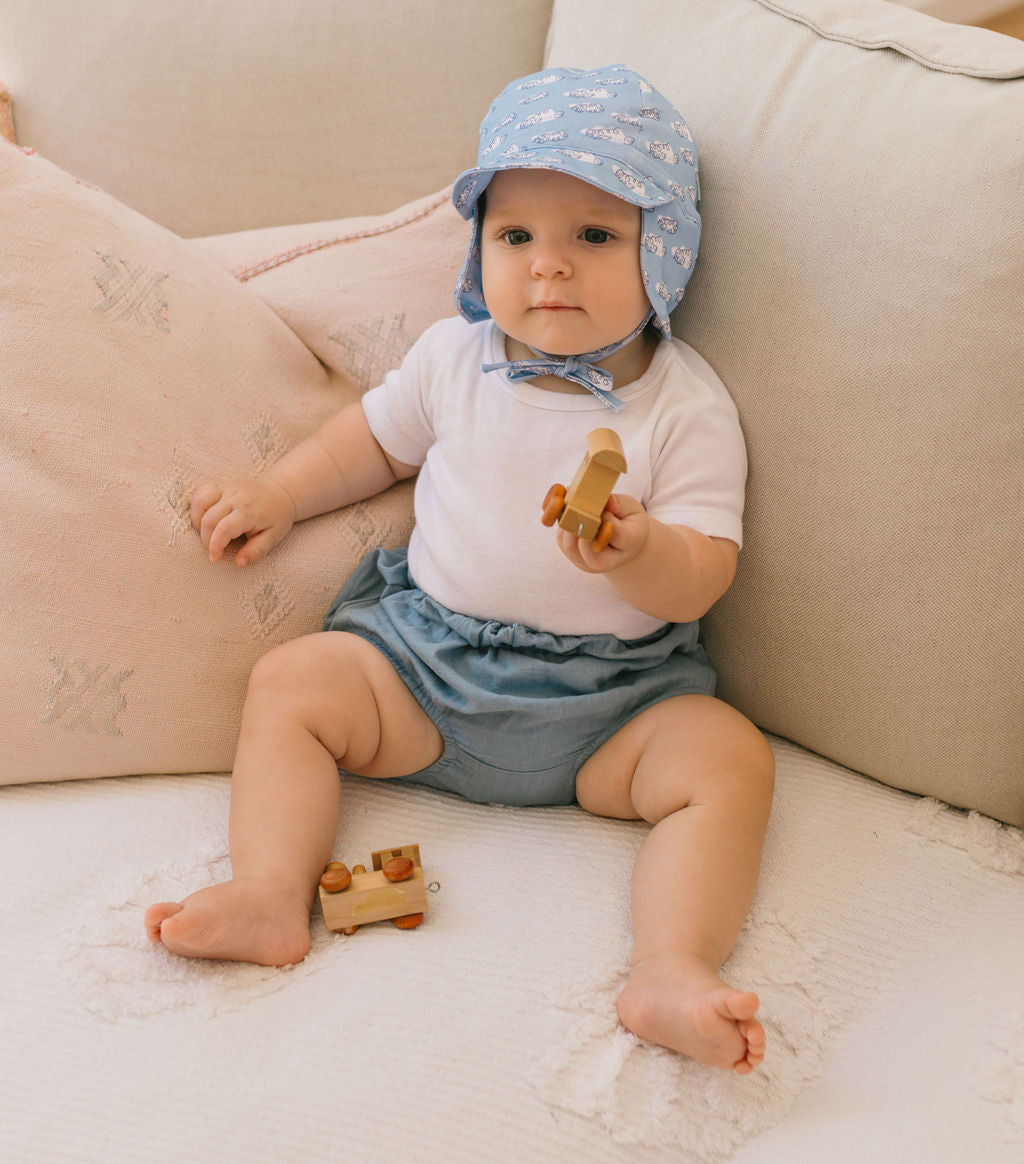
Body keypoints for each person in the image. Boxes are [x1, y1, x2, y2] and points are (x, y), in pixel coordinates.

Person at [144, 65, 775, 1074]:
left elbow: (702, 575)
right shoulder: (455, 357)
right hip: (427, 678)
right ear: (477, 249)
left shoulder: (682, 407)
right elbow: (369, 445)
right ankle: (268, 891)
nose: (548, 270)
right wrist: (278, 493)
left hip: (612, 709)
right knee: (293, 681)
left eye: (594, 237)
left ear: (664, 254)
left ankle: (669, 966)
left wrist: (639, 550)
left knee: (728, 756)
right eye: (515, 237)